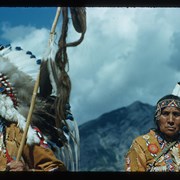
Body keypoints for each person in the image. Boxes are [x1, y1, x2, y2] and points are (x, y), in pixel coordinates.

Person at [125, 89, 180, 172]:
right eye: (165, 114)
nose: (171, 120)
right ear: (157, 118)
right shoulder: (141, 144)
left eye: (176, 114)